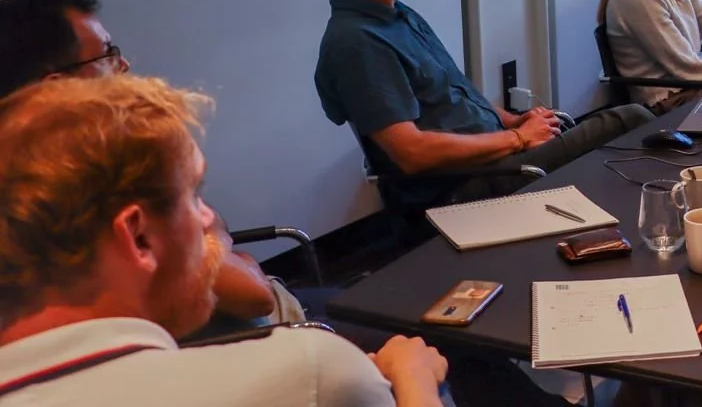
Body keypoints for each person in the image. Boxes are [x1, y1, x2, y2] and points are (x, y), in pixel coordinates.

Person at [0, 74, 448, 406]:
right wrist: (414, 379)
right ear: (138, 237)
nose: (209, 217)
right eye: (193, 195)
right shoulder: (311, 374)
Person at [315, 0, 651, 210]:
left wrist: (514, 120)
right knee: (630, 119)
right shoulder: (357, 42)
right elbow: (410, 152)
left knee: (593, 128)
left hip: (493, 157)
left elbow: (455, 93)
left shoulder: (399, 16)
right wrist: (518, 138)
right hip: (457, 190)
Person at [0, 0, 284, 328]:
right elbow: (256, 295)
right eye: (106, 55)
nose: (124, 66)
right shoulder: (104, 178)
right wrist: (219, 239)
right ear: (56, 88)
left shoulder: (19, 174)